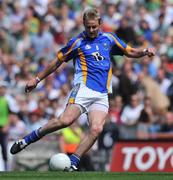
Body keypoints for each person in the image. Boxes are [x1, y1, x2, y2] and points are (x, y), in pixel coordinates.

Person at [10, 8, 155, 171]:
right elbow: (56, 62)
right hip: (83, 89)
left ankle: (72, 163)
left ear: (100, 23)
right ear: (84, 25)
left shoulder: (109, 38)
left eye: (94, 26)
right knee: (64, 121)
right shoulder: (77, 42)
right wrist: (36, 79)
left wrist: (144, 52)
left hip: (101, 94)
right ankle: (26, 140)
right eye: (88, 27)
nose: (91, 30)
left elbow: (129, 51)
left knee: (96, 129)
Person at [0, 81, 9, 171]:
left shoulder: (6, 100)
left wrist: (7, 125)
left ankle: (6, 169)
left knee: (4, 150)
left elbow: (9, 114)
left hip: (3, 128)